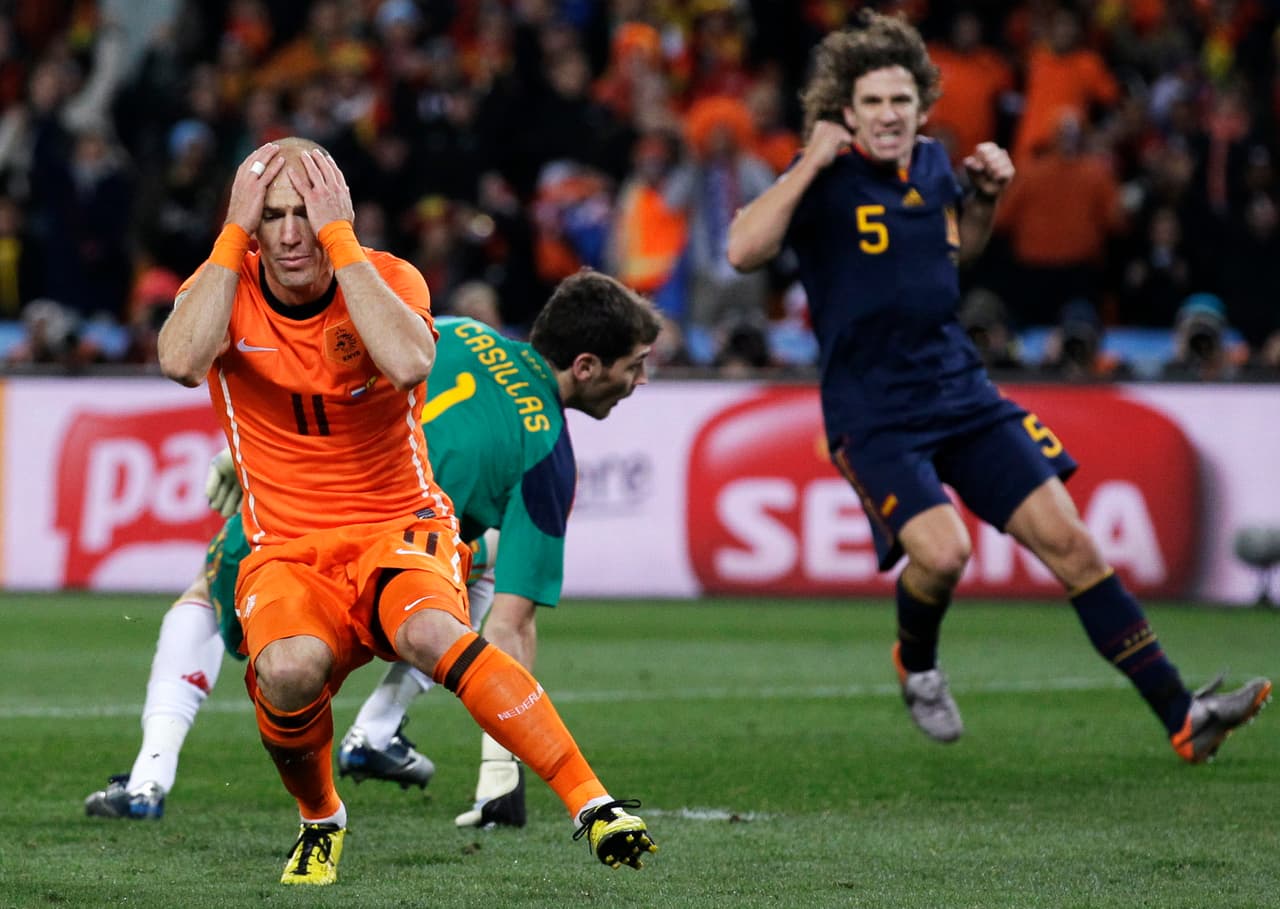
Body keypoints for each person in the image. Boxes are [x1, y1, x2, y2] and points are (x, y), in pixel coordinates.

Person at [725, 13, 1270, 763]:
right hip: (875, 413)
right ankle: (916, 661)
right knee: (944, 555)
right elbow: (742, 249)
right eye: (874, 103)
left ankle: (1184, 715)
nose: (889, 115)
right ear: (846, 112)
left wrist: (982, 201)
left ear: (921, 108)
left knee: (1073, 543)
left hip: (961, 392)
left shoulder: (932, 165)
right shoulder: (821, 178)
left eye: (902, 102)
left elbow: (951, 257)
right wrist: (810, 162)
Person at [152, 137, 655, 885]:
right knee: (286, 672)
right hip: (286, 544)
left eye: (307, 213)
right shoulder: (226, 282)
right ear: (253, 225)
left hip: (398, 524)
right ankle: (321, 818)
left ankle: (593, 802)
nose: (292, 232)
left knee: (433, 630)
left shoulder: (385, 277)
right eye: (274, 216)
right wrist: (231, 232)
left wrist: (341, 239)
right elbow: (181, 360)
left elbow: (412, 360)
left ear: (335, 215)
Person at [88, 270, 664, 836]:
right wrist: (500, 771)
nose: (641, 382)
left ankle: (148, 780)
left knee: (206, 598)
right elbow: (510, 629)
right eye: (635, 365)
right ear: (586, 367)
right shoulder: (549, 457)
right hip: (383, 550)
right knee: (474, 572)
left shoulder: (457, 331)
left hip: (303, 509)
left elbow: (336, 374)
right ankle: (377, 730)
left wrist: (240, 449)